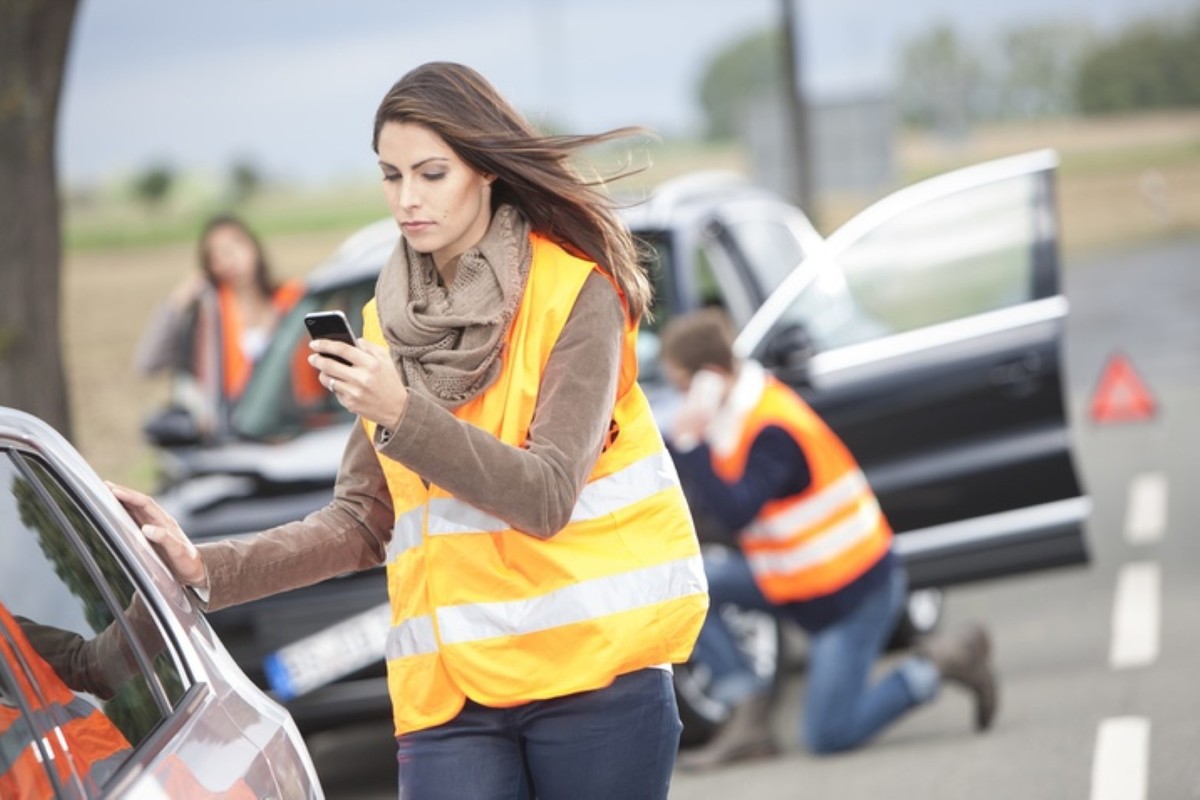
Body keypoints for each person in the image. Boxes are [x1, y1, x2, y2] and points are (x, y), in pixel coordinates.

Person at [110, 61, 709, 799]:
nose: (408, 199)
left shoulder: (575, 293)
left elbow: (547, 495)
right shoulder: (384, 323)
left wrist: (402, 413)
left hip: (593, 674)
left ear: (485, 170)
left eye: (431, 173)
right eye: (391, 176)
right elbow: (365, 519)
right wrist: (208, 568)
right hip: (447, 696)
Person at [657, 307, 997, 768]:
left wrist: (691, 443)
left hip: (852, 597)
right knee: (690, 584)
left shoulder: (771, 428)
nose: (681, 400)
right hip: (794, 580)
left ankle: (941, 663)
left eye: (682, 386)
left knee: (828, 735)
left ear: (710, 378)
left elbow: (737, 511)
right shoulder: (736, 415)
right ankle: (749, 717)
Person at [134, 213, 305, 434]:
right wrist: (178, 302)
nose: (228, 258)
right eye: (216, 255)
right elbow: (148, 363)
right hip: (227, 436)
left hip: (293, 429)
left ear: (254, 247)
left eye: (234, 246)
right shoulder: (205, 315)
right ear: (209, 266)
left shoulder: (292, 300)